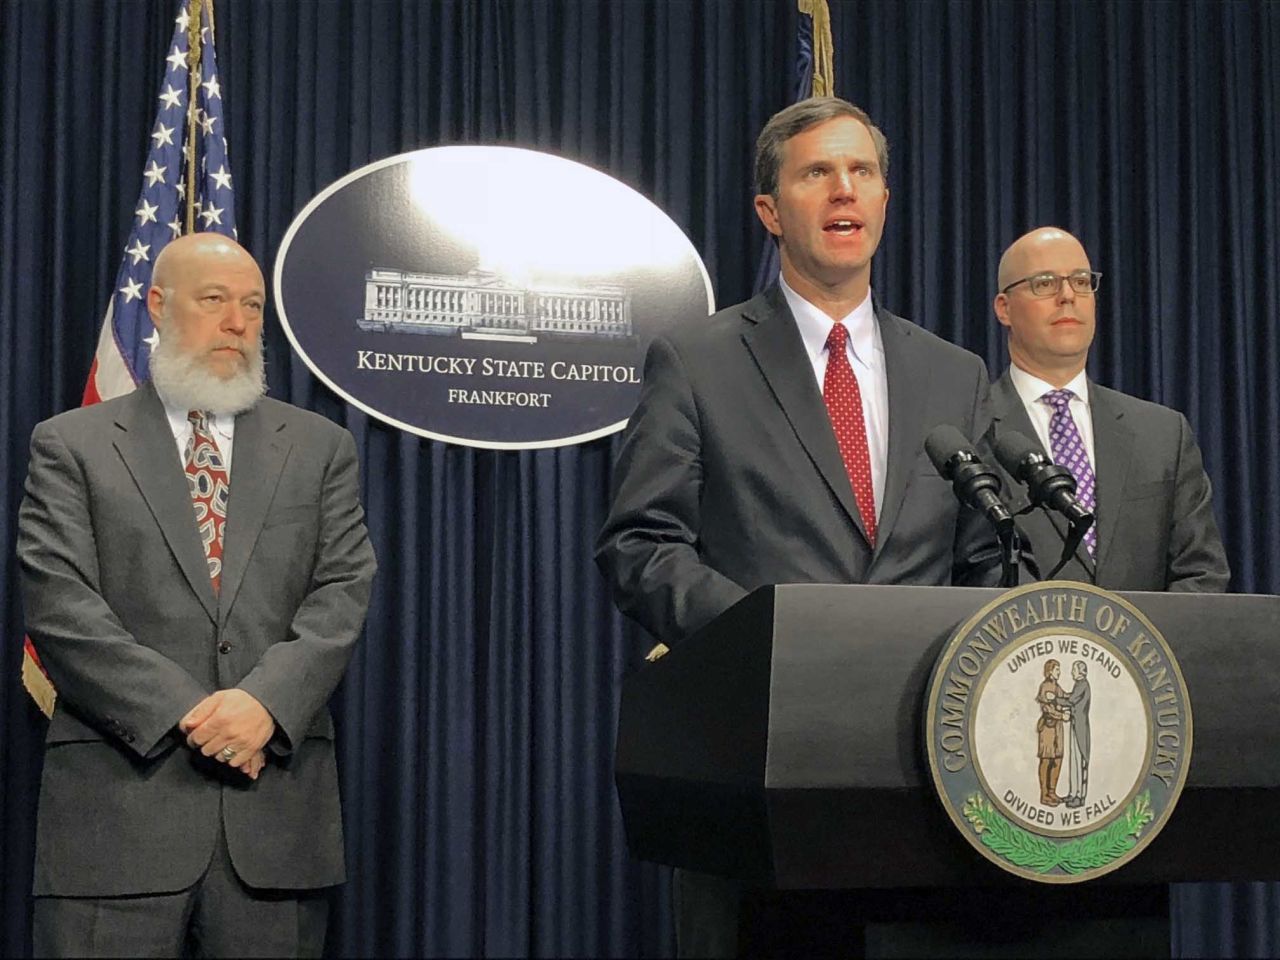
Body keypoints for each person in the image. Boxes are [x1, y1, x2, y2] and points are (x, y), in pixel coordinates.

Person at [597, 97, 1006, 958]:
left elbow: (985, 560)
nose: (842, 190)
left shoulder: (956, 374)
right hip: (759, 778)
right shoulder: (699, 361)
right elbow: (640, 544)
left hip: (924, 786)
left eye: (861, 172)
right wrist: (765, 646)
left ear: (886, 202)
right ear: (769, 210)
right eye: (816, 172)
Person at [17, 233, 377, 957]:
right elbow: (61, 604)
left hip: (273, 825)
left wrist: (264, 705)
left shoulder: (320, 448)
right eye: (214, 301)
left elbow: (342, 591)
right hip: (116, 823)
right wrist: (195, 714)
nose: (238, 323)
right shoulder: (71, 444)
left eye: (251, 306)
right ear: (156, 304)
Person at [987, 226, 1230, 591]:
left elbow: (1202, 575)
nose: (1067, 296)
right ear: (1004, 308)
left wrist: (1129, 647)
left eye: (1081, 281)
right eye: (1045, 283)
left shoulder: (1163, 434)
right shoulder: (974, 428)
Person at [1035, 659, 1068, 806]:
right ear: (1049, 671)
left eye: (1059, 669)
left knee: (1058, 760)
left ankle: (1052, 792)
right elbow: (1046, 708)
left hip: (1058, 729)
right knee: (1046, 760)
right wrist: (1061, 715)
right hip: (1048, 728)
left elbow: (1064, 698)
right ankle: (1044, 795)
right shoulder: (1045, 686)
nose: (1059, 672)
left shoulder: (1057, 687)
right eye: (1056, 669)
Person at [1064, 660, 1091, 808]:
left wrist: (1054, 698)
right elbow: (1071, 697)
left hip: (1080, 729)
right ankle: (1073, 793)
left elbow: (1071, 700)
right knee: (1073, 761)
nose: (1071, 672)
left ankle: (1080, 797)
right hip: (1075, 726)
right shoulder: (1078, 685)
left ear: (1080, 672)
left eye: (1073, 670)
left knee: (1080, 762)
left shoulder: (1083, 685)